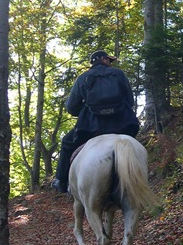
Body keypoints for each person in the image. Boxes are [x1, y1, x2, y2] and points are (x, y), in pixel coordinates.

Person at [52, 50, 140, 193]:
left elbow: (71, 108)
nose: (110, 64)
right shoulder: (119, 74)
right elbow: (130, 101)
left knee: (67, 143)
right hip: (123, 125)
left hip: (91, 128)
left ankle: (61, 180)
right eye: (109, 60)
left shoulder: (83, 78)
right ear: (104, 59)